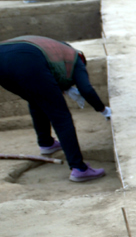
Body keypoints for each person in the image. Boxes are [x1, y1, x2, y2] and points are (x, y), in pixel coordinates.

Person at [0, 36, 109, 182]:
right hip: (26, 59)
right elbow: (86, 89)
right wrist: (104, 110)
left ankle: (47, 144)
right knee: (61, 116)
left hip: (5, 57)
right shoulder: (76, 59)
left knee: (36, 100)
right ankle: (79, 169)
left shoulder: (56, 51)